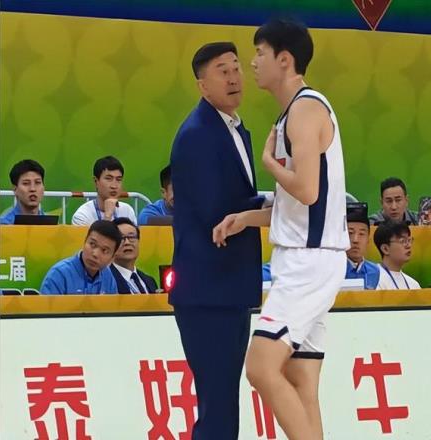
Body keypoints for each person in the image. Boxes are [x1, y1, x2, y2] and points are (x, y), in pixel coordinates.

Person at [213, 19, 349, 440]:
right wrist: (246, 219)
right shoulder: (297, 111)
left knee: (259, 366)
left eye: (259, 53)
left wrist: (270, 164)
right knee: (301, 382)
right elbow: (301, 206)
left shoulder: (304, 111)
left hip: (308, 263)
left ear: (284, 59)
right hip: (311, 256)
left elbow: (306, 190)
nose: (252, 63)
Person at [170, 42, 264, 439]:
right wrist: (277, 205)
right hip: (207, 291)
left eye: (236, 68)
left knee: (224, 401)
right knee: (217, 404)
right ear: (202, 85)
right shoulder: (197, 134)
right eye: (222, 71)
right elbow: (216, 211)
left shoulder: (235, 129)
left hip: (229, 287)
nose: (233, 77)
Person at [40, 220, 121, 294]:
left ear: (112, 257)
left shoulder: (108, 277)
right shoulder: (59, 274)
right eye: (92, 244)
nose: (95, 254)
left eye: (104, 250)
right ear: (85, 241)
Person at [72, 156, 137, 225]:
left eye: (118, 179)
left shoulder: (127, 211)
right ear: (96, 181)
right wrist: (107, 216)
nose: (114, 186)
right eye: (108, 179)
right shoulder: (82, 216)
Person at [110, 217, 158, 293]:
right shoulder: (106, 281)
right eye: (121, 238)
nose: (127, 242)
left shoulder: (150, 281)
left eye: (131, 237)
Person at [373, 220, 421, 290]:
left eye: (409, 240)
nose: (408, 245)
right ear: (385, 249)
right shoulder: (374, 280)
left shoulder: (414, 284)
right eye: (403, 241)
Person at [345, 202, 380, 289]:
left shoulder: (374, 271)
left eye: (361, 234)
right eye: (350, 233)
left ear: (368, 239)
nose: (355, 240)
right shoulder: (334, 270)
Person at [0, 159, 46, 224]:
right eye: (26, 183)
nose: (33, 189)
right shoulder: (4, 225)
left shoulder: (52, 225)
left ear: (44, 188)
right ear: (15, 189)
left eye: (37, 182)